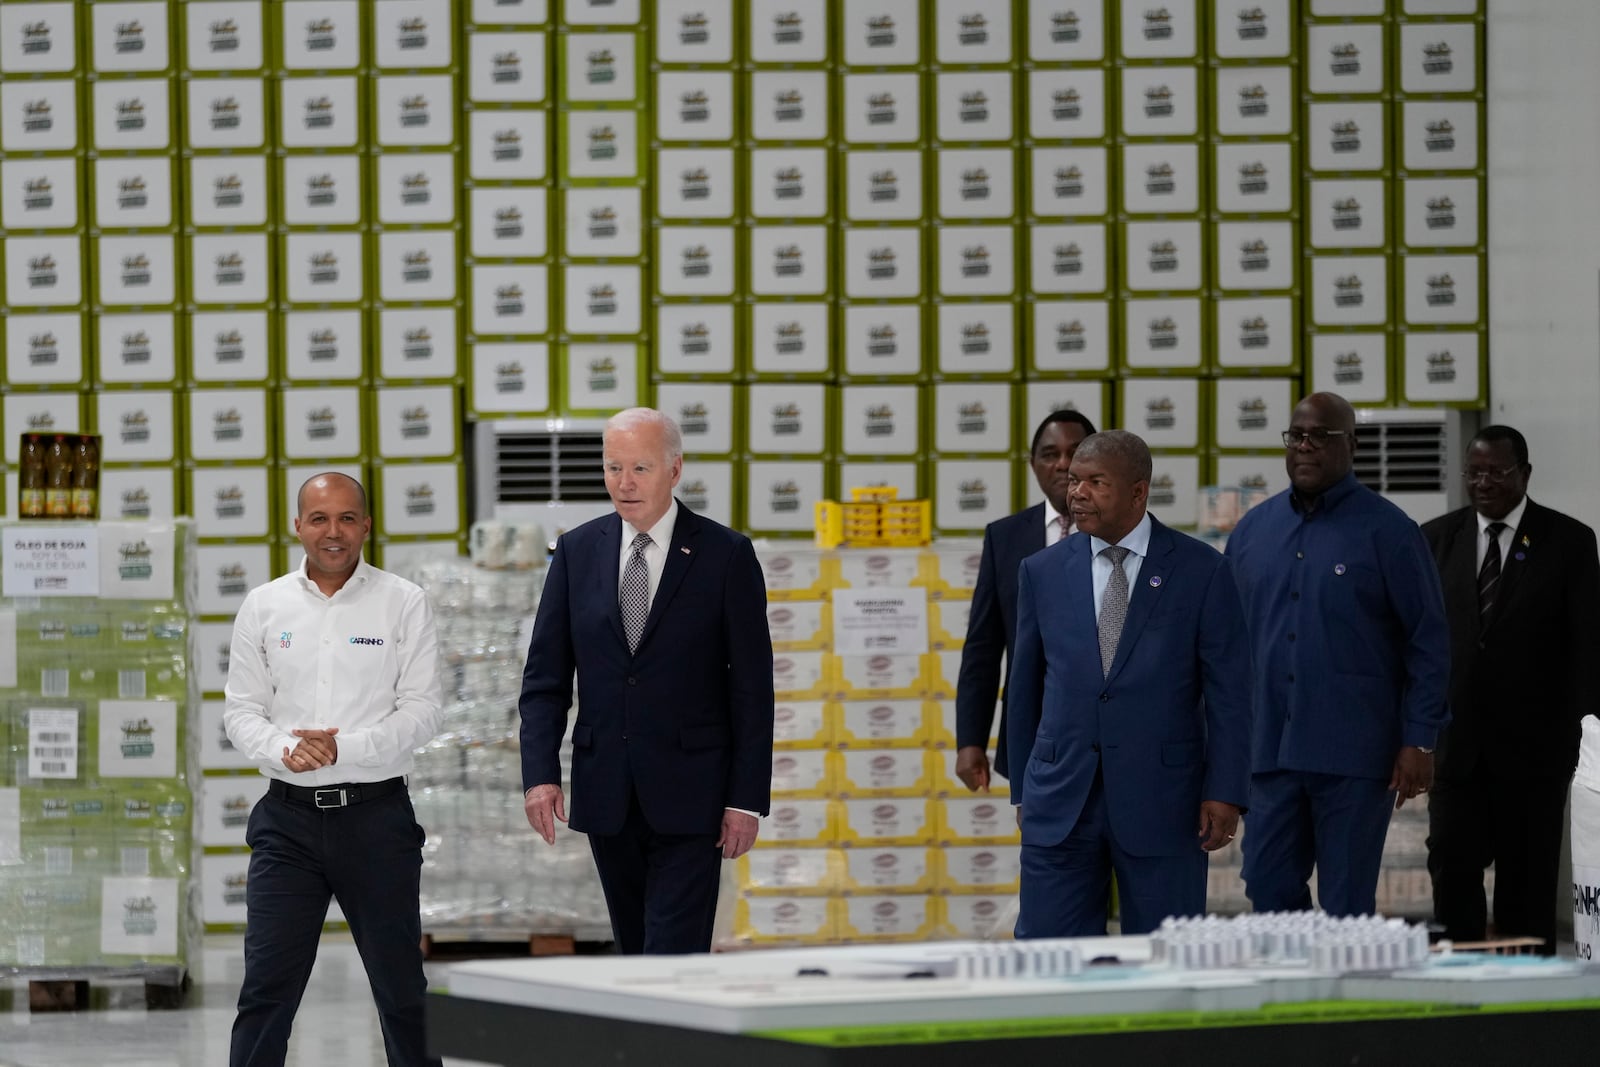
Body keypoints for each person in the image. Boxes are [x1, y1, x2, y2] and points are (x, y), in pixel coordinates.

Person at [519, 407, 774, 954]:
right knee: (632, 952)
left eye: (640, 468)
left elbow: (752, 689)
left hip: (694, 794)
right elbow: (545, 677)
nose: (624, 483)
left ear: (675, 470)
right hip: (607, 789)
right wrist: (539, 775)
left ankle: (675, 1040)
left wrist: (745, 800)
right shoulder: (577, 551)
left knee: (672, 954)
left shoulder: (726, 555)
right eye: (613, 468)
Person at [223, 473, 444, 1067]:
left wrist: (345, 749)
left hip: (377, 820)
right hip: (287, 824)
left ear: (367, 525)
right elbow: (241, 711)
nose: (334, 532)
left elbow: (424, 710)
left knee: (401, 992)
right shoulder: (265, 606)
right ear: (298, 526)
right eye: (319, 519)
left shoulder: (403, 601)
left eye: (347, 518)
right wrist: (284, 750)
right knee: (266, 991)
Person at [1006, 430, 1253, 936]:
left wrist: (1226, 790)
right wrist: (1023, 790)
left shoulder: (1202, 570)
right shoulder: (1041, 571)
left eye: (1096, 483)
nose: (1078, 493)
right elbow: (1025, 687)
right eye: (1075, 480)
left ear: (1138, 492)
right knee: (1050, 959)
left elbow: (1231, 692)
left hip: (1164, 802)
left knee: (1167, 959)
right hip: (1061, 802)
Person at [1226, 392, 1450, 918]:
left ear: (1351, 443)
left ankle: (1345, 994)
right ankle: (1299, 988)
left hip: (1354, 756)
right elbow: (1224, 645)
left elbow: (1428, 640)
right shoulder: (1252, 533)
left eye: (1320, 437)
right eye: (1296, 436)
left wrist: (1420, 738)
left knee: (1347, 904)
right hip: (1268, 755)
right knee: (1265, 884)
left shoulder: (1391, 532)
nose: (1305, 447)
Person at [1421, 426, 1600, 952]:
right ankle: (1457, 1002)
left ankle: (1529, 1012)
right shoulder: (1435, 538)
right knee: (1451, 878)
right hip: (1455, 752)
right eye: (1473, 472)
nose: (1483, 482)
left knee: (1526, 893)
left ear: (1524, 473)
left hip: (1535, 755)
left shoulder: (1568, 541)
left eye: (1496, 472)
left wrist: (1585, 742)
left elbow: (1587, 648)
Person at [955, 409, 1097, 793]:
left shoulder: (1127, 536)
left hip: (1115, 735)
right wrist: (970, 740)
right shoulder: (1005, 539)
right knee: (1043, 848)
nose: (1064, 464)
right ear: (1033, 465)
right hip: (1034, 735)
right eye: (1051, 454)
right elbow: (983, 649)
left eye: (1077, 452)